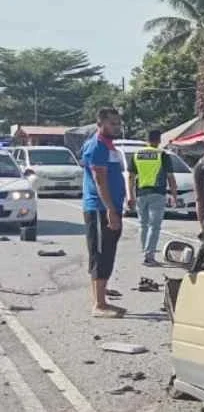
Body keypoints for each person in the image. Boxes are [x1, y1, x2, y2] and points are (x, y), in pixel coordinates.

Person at [81, 107, 128, 318]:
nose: (116, 127)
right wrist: (110, 209)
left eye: (118, 123)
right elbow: (100, 181)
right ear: (100, 124)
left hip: (112, 207)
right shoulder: (97, 146)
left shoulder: (109, 146)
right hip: (100, 209)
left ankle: (102, 300)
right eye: (112, 123)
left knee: (108, 253)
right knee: (100, 254)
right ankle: (98, 304)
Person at [126, 129, 178, 267]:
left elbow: (130, 176)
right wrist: (174, 195)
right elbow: (170, 177)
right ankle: (149, 256)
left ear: (146, 140)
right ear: (159, 140)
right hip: (157, 193)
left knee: (143, 225)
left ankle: (145, 252)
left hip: (141, 193)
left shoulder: (137, 154)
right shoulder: (162, 155)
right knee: (154, 226)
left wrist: (130, 195)